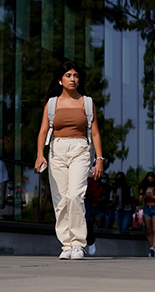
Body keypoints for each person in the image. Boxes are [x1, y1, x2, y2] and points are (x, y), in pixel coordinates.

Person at [35, 61, 105, 260]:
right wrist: (40, 154)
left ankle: (78, 243)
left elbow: (96, 133)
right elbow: (42, 131)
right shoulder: (52, 103)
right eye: (68, 75)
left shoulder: (87, 102)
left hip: (80, 149)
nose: (73, 79)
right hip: (57, 150)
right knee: (61, 199)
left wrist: (99, 159)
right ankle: (66, 244)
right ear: (60, 80)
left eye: (75, 75)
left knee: (75, 195)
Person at [138, 171, 155, 257]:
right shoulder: (143, 188)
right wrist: (144, 196)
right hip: (147, 208)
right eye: (148, 179)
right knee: (148, 230)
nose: (150, 180)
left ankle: (153, 248)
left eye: (151, 179)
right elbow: (139, 201)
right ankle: (151, 248)